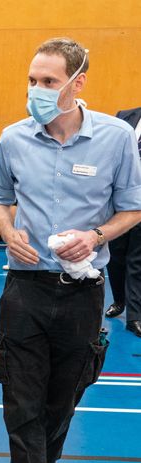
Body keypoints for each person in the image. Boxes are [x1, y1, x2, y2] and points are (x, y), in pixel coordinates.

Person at [0, 38, 141, 463]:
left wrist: (96, 237)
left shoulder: (118, 139)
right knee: (20, 399)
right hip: (24, 287)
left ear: (78, 83)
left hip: (81, 292)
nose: (37, 90)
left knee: (62, 397)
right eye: (32, 80)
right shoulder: (12, 139)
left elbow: (132, 210)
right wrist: (8, 233)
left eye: (49, 82)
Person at [106, 106, 141, 337]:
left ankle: (135, 316)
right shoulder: (124, 116)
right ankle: (119, 300)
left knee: (137, 260)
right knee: (115, 256)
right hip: (119, 202)